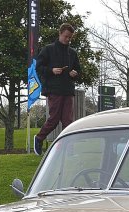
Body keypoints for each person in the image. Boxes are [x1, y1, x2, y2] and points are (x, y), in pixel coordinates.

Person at [33, 23, 82, 156]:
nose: (68, 39)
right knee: (54, 119)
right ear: (60, 34)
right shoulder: (48, 49)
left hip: (68, 90)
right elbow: (38, 68)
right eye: (66, 36)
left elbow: (78, 70)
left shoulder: (72, 53)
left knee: (68, 121)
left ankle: (69, 149)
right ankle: (39, 138)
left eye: (70, 37)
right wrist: (51, 70)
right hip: (53, 90)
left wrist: (75, 73)